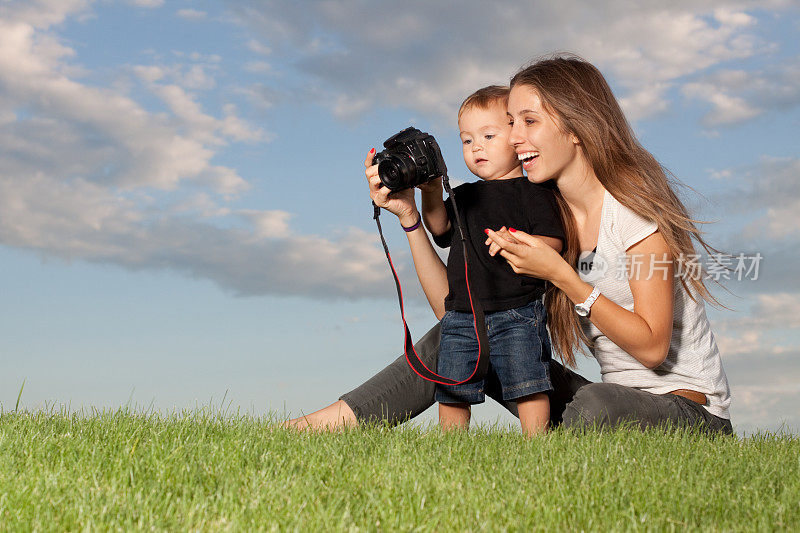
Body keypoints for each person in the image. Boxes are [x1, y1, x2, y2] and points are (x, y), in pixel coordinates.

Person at [285, 54, 733, 434]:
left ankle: (563, 442)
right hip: (598, 409)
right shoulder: (545, 215)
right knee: (461, 334)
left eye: (530, 122)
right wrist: (411, 220)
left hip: (685, 413)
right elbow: (453, 308)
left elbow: (653, 348)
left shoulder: (634, 217)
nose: (515, 137)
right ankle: (311, 430)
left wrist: (561, 275)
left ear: (575, 127)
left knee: (597, 404)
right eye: (511, 122)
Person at [417, 86, 565, 436]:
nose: (476, 147)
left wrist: (518, 242)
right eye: (467, 141)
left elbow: (554, 240)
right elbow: (438, 228)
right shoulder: (463, 195)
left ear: (516, 138)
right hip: (461, 314)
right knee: (452, 388)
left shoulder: (535, 192)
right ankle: (450, 445)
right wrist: (430, 192)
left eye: (487, 135)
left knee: (528, 381)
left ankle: (537, 443)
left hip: (518, 311)